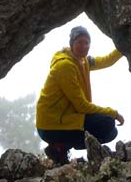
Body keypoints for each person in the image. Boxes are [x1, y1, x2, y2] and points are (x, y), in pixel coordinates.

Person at [36, 25, 125, 165]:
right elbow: (82, 105)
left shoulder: (83, 61)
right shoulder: (65, 66)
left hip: (67, 119)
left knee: (111, 132)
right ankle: (59, 148)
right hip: (51, 125)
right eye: (79, 42)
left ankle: (61, 148)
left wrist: (123, 46)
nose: (83, 46)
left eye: (87, 43)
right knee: (107, 123)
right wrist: (113, 113)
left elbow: (107, 60)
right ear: (72, 44)